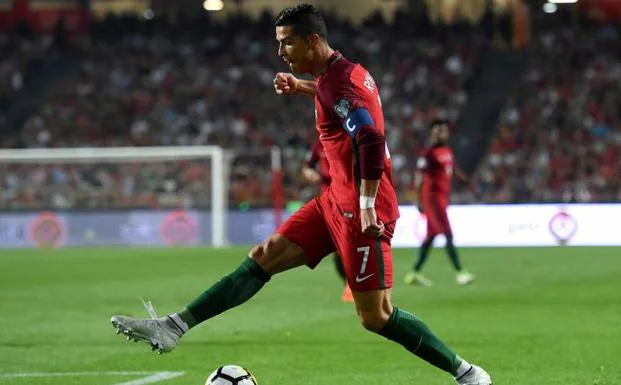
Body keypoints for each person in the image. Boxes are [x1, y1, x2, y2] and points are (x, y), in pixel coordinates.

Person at [110, 5, 491, 385]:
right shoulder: (342, 74)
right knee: (264, 255)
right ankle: (173, 326)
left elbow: (370, 138)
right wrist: (302, 87)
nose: (281, 52)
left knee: (376, 316)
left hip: (361, 212)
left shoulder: (339, 84)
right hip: (333, 202)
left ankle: (467, 374)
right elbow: (339, 101)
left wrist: (365, 205)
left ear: (313, 40)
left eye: (287, 43)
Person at [405, 119, 476, 287]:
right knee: (448, 234)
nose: (441, 133)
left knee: (430, 237)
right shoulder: (428, 154)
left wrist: (464, 180)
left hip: (442, 199)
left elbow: (451, 169)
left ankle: (414, 273)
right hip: (432, 200)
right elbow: (419, 177)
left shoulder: (447, 151)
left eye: (443, 130)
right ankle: (461, 272)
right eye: (437, 131)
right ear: (432, 133)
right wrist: (418, 199)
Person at [302, 139, 353, 302]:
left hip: (349, 198)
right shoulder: (318, 144)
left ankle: (357, 285)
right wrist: (309, 172)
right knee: (337, 249)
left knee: (349, 244)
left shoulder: (349, 138)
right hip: (329, 201)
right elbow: (307, 166)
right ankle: (349, 284)